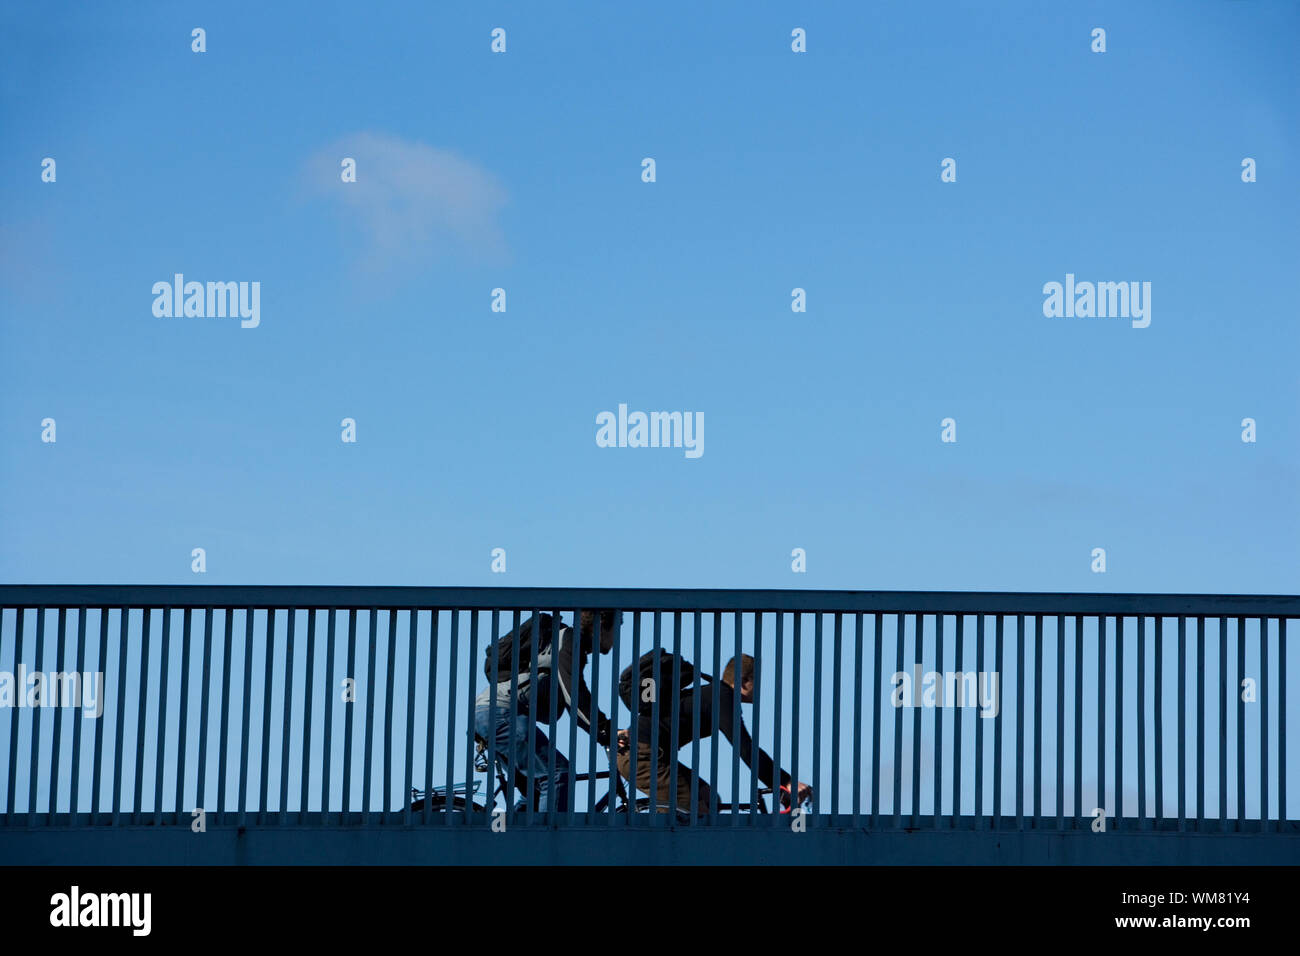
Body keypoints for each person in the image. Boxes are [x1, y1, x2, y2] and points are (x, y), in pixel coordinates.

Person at [616, 652, 812, 815]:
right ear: (744, 681)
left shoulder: (714, 694)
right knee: (693, 810)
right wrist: (786, 781)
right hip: (641, 756)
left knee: (709, 798)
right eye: (757, 682)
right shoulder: (722, 697)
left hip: (650, 753)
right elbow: (745, 748)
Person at [474, 610, 616, 813]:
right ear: (601, 624)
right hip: (499, 714)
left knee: (535, 792)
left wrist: (603, 733)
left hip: (490, 715)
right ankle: (549, 842)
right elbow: (574, 695)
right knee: (557, 773)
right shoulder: (569, 640)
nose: (616, 637)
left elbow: (573, 706)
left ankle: (512, 841)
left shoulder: (567, 644)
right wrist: (605, 730)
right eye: (617, 627)